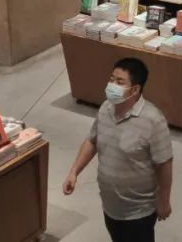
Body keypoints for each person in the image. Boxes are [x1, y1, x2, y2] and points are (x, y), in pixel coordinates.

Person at [63, 58, 173, 242]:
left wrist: (164, 200)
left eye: (119, 82)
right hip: (110, 206)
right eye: (111, 79)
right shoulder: (106, 108)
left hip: (139, 213)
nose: (112, 85)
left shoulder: (153, 121)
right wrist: (74, 172)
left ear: (135, 89)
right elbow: (92, 140)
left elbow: (165, 164)